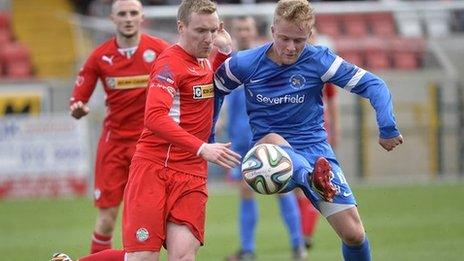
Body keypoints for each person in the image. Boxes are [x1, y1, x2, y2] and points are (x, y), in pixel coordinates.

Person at [212, 1, 403, 261]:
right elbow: (212, 91)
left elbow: (373, 83)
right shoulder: (245, 63)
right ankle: (310, 178)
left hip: (316, 153)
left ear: (310, 34)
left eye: (299, 40)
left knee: (354, 235)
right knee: (274, 140)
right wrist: (208, 138)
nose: (291, 47)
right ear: (272, 30)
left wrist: (387, 125)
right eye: (284, 38)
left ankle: (312, 178)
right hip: (267, 155)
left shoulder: (319, 59)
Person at [52, 0, 241, 260]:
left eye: (213, 30)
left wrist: (225, 51)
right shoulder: (169, 64)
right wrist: (202, 147)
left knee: (184, 256)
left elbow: (214, 86)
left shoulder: (204, 60)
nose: (208, 38)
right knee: (142, 257)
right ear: (181, 27)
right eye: (200, 31)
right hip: (155, 168)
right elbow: (153, 117)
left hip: (192, 174)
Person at [69, 0, 169, 255]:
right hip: (114, 146)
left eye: (133, 13)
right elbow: (78, 97)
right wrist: (78, 108)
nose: (128, 18)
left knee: (148, 220)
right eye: (122, 14)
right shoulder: (99, 56)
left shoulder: (160, 50)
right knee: (106, 220)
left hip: (149, 147)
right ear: (112, 19)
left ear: (142, 17)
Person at [224, 16, 307, 261]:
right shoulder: (231, 63)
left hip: (267, 135)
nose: (242, 32)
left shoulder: (267, 61)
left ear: (255, 30)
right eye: (238, 28)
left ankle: (297, 244)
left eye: (246, 28)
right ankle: (248, 249)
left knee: (283, 187)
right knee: (246, 191)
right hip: (239, 139)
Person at [295, 28, 340, 250]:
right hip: (293, 134)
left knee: (314, 184)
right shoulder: (289, 66)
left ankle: (305, 234)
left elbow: (331, 102)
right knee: (296, 186)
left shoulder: (323, 67)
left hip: (317, 135)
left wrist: (335, 131)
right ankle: (300, 234)